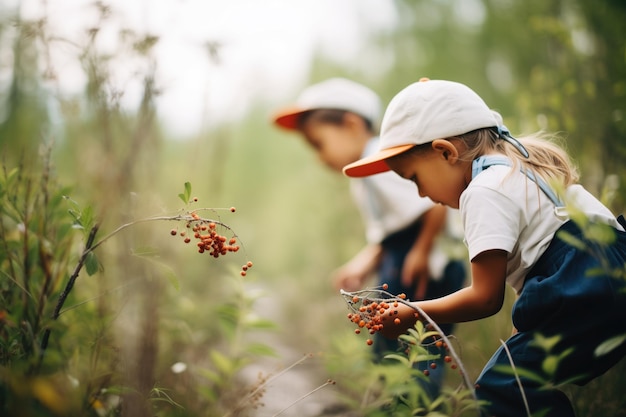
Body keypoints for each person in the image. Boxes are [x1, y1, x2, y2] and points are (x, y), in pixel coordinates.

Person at [343, 77, 626, 417]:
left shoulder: (483, 191)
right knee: (517, 382)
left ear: (445, 152)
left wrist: (412, 312)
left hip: (582, 283)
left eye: (415, 178)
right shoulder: (523, 168)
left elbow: (485, 298)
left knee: (503, 387)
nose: (420, 194)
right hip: (602, 273)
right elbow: (555, 249)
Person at [272, 78, 466, 398]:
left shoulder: (383, 159)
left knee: (414, 355)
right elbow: (393, 230)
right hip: (402, 261)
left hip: (423, 271)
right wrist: (363, 263)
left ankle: (413, 407)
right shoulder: (365, 173)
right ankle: (400, 404)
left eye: (319, 143)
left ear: (351, 125)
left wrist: (422, 249)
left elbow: (434, 203)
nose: (320, 157)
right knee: (393, 352)